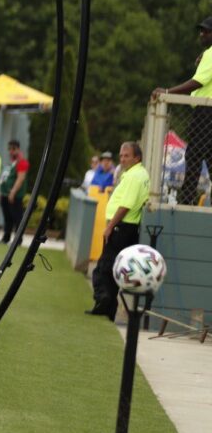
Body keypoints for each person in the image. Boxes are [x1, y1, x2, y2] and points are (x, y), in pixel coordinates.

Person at [153, 16, 212, 205]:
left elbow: (197, 82)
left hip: (206, 112)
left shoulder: (211, 54)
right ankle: (187, 199)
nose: (201, 34)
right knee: (206, 156)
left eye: (206, 31)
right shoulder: (207, 54)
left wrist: (168, 92)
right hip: (205, 110)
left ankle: (186, 201)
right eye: (201, 30)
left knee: (194, 155)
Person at [88, 142, 150, 320]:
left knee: (102, 270)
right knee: (114, 270)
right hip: (128, 228)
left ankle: (104, 302)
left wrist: (109, 227)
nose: (122, 159)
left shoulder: (133, 177)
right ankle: (108, 310)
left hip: (120, 227)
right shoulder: (140, 173)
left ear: (137, 158)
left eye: (127, 156)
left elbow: (125, 206)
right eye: (121, 156)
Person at [0, 139, 29, 244]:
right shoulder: (10, 162)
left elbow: (20, 178)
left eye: (13, 149)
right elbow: (5, 177)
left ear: (18, 149)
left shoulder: (22, 162)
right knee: (7, 217)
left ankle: (18, 240)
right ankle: (6, 238)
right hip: (5, 194)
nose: (11, 151)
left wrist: (13, 192)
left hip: (14, 195)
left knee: (17, 217)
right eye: (10, 149)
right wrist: (0, 191)